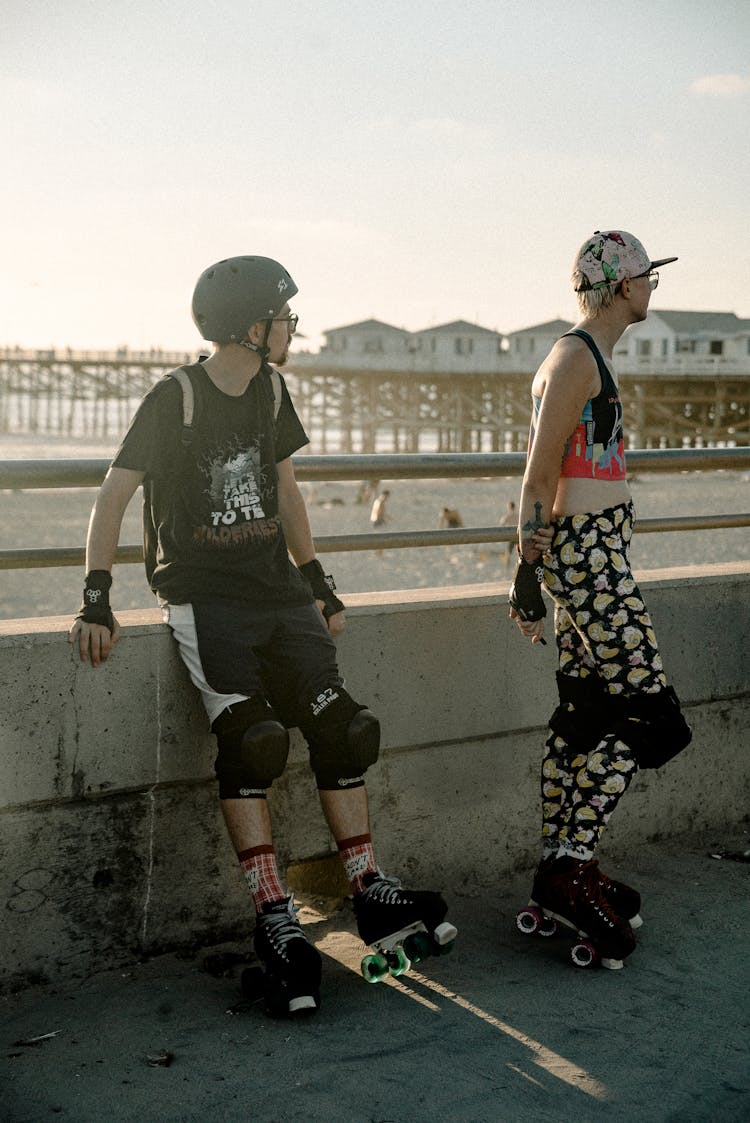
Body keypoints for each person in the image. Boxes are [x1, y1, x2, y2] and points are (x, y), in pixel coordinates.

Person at [68, 256, 455, 1015]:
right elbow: (113, 495)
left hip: (278, 593)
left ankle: (369, 889)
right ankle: (275, 912)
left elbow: (284, 488)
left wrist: (317, 579)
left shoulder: (273, 389)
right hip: (205, 600)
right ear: (250, 324)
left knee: (345, 729)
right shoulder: (174, 397)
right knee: (253, 742)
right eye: (284, 316)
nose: (292, 329)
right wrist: (96, 597)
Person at [509, 230, 692, 970]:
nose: (653, 287)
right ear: (621, 285)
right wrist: (526, 571)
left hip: (597, 549)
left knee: (582, 716)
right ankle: (569, 863)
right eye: (648, 277)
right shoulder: (574, 357)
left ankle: (567, 866)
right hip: (586, 553)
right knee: (654, 719)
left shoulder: (592, 357)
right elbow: (536, 473)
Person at [498, 500, 516, 574]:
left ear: (509, 507)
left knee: (508, 553)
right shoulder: (518, 515)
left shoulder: (507, 516)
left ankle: (507, 569)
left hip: (511, 537)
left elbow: (501, 524)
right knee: (520, 553)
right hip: (518, 536)